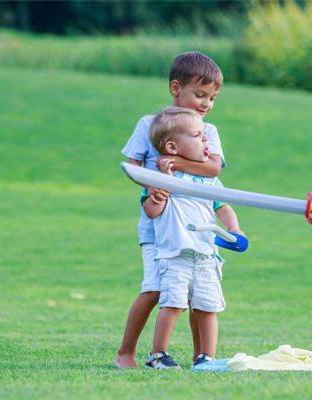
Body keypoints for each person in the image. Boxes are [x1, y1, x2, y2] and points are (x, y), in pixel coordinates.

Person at [116, 51, 240, 369]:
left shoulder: (207, 131)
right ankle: (126, 353)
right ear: (176, 87)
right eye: (200, 94)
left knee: (196, 292)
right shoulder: (148, 125)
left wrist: (173, 164)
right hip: (157, 224)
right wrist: (154, 184)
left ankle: (203, 358)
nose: (206, 103)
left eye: (212, 98)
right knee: (156, 288)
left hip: (196, 226)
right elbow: (132, 168)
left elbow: (212, 169)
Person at [143, 106, 235, 369]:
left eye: (205, 135)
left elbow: (224, 207)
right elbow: (150, 210)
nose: (205, 140)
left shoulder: (209, 182)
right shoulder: (162, 179)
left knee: (207, 307)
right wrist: (158, 196)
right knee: (173, 305)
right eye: (197, 136)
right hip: (175, 256)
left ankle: (205, 358)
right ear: (172, 147)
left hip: (206, 255)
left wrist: (234, 230)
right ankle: (157, 354)